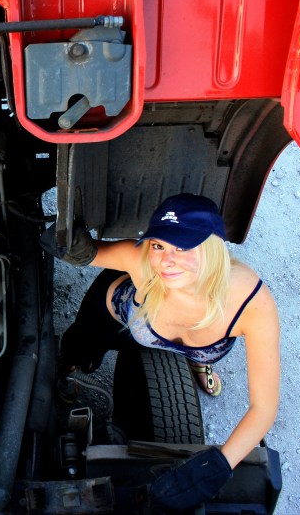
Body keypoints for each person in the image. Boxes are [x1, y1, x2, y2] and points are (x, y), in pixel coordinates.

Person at [41, 193, 280, 510]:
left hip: (170, 335)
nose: (167, 260)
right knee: (77, 351)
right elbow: (89, 252)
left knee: (200, 351)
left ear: (212, 248)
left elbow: (263, 407)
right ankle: (70, 371)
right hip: (117, 316)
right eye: (159, 245)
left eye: (183, 247)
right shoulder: (142, 261)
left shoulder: (251, 302)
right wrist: (68, 243)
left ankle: (198, 359)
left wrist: (220, 465)